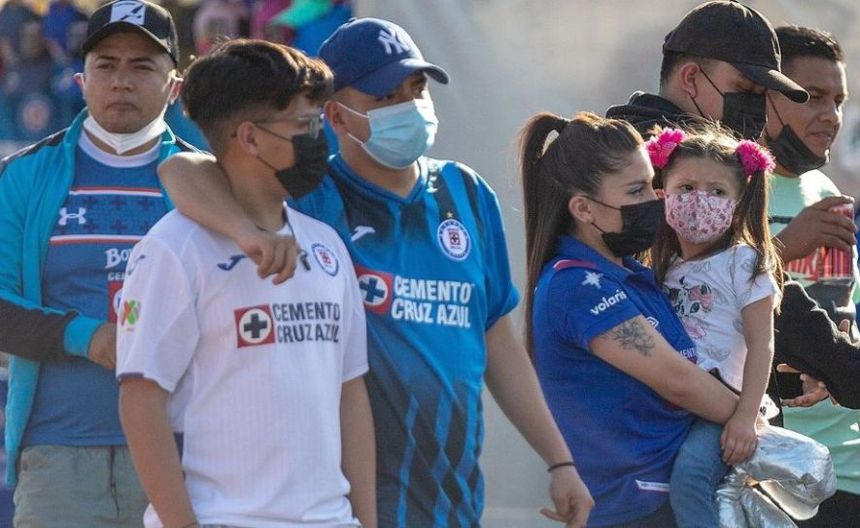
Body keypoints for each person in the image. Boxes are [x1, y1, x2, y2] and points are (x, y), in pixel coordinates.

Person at [158, 16, 594, 528]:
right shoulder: (311, 196)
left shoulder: (467, 192)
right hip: (343, 500)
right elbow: (180, 169)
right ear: (335, 116)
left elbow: (495, 336)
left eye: (416, 88)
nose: (409, 106)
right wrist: (243, 229)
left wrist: (559, 460)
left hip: (452, 496)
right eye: (385, 96)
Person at [117, 38, 376, 528]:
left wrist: (365, 520)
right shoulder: (174, 248)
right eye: (304, 125)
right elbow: (140, 399)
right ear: (250, 138)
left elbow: (350, 392)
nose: (318, 140)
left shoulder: (326, 245)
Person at [604, 0, 855, 415]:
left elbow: (717, 319)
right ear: (691, 78)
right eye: (745, 91)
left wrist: (807, 371)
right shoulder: (656, 162)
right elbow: (730, 275)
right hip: (668, 419)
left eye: (764, 96)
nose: (756, 110)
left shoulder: (677, 155)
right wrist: (841, 364)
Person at [0, 2, 189, 526]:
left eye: (142, 66)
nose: (121, 80)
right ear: (81, 80)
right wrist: (88, 337)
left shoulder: (208, 182)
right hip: (57, 457)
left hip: (182, 453)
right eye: (106, 65)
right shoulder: (22, 176)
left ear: (175, 87)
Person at [522, 111, 741, 528]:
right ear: (583, 208)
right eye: (636, 190)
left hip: (669, 498)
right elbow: (678, 381)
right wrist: (751, 419)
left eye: (652, 184)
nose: (654, 200)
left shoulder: (632, 274)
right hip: (634, 507)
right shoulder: (578, 285)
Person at [647, 125, 781, 527]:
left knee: (690, 478)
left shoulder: (745, 262)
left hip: (723, 407)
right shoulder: (661, 266)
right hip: (670, 403)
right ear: (663, 193)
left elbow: (762, 345)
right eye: (686, 187)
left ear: (738, 202)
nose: (699, 200)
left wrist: (745, 416)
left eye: (717, 191)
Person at [761, 25, 860, 528]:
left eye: (839, 101)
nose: (831, 116)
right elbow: (699, 296)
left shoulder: (825, 189)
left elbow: (846, 315)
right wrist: (785, 247)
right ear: (765, 95)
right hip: (775, 472)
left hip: (850, 469)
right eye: (813, 97)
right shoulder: (727, 188)